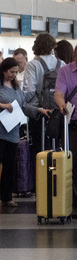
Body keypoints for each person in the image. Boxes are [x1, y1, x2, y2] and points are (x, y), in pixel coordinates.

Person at [0, 57, 49, 208]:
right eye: (11, 72)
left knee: (10, 164)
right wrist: (1, 105)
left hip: (11, 131)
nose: (13, 75)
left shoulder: (16, 87)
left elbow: (23, 106)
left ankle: (6, 197)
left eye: (16, 72)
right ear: (4, 70)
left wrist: (39, 110)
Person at [23, 33, 63, 154]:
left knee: (40, 150)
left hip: (39, 114)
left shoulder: (33, 64)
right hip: (58, 113)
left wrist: (34, 108)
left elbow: (29, 91)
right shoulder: (61, 64)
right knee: (57, 149)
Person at [53, 46, 77, 206]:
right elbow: (59, 93)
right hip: (73, 123)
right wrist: (62, 106)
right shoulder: (65, 71)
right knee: (73, 162)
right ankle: (73, 199)